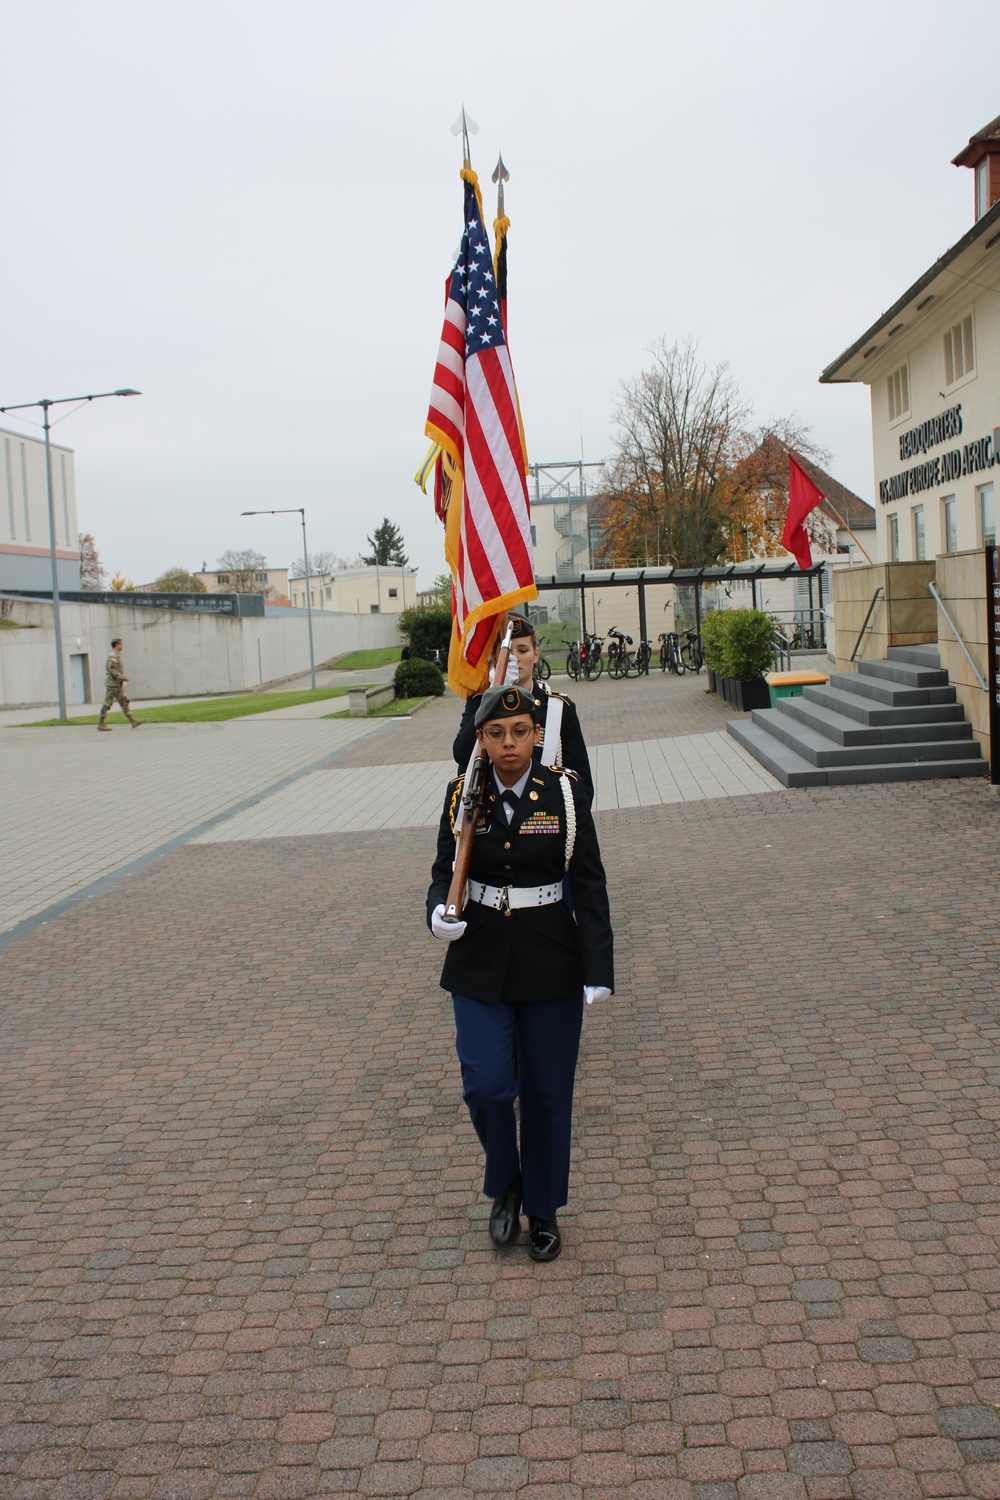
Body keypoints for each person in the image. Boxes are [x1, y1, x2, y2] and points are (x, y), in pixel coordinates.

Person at [428, 684, 613, 1262]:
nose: (509, 744)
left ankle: (542, 1208)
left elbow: (588, 881)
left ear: (537, 734)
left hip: (551, 956)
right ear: (480, 739)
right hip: (479, 956)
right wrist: (438, 913)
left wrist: (598, 966)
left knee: (546, 1091)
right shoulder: (464, 793)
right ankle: (505, 1178)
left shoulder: (561, 793)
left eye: (521, 732)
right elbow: (442, 872)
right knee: (485, 1084)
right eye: (496, 734)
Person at [452, 616, 594, 804]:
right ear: (495, 657)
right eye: (507, 652)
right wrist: (493, 692)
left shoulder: (558, 708)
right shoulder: (479, 703)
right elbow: (462, 755)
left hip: (544, 818)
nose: (515, 658)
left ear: (536, 654)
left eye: (523, 650)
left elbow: (580, 782)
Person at [97, 638, 142, 730]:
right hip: (112, 685)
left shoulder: (116, 656)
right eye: (121, 644)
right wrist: (122, 677)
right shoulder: (112, 656)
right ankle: (101, 723)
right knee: (107, 703)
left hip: (117, 684)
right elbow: (111, 670)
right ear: (117, 645)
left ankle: (132, 721)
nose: (122, 646)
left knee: (124, 702)